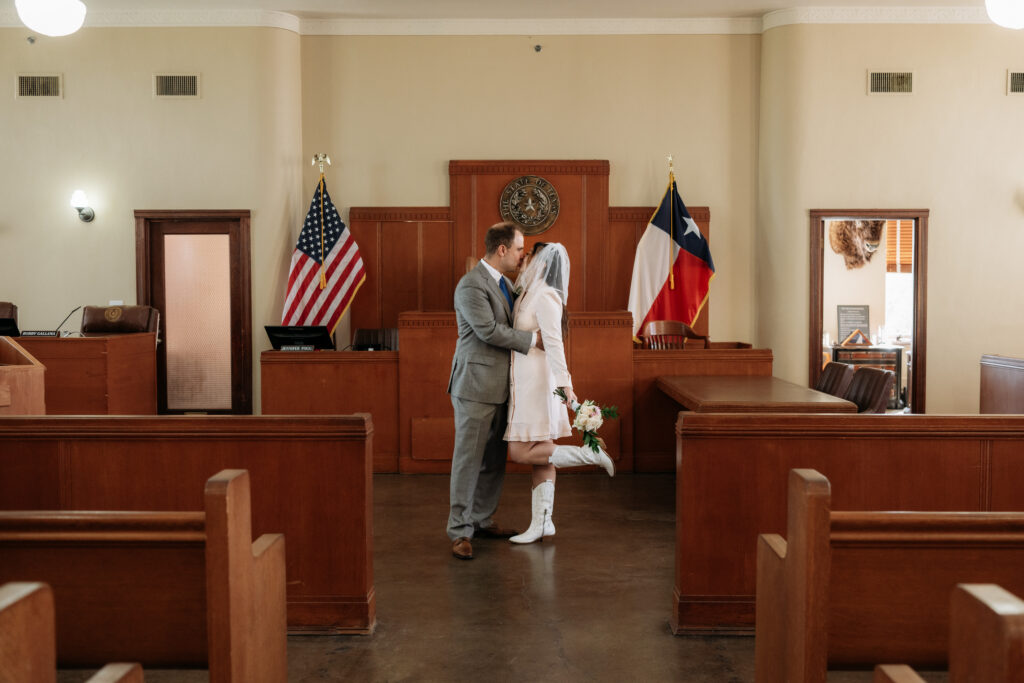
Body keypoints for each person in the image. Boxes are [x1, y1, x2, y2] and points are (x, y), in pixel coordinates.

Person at [505, 242, 614, 545]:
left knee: (518, 451)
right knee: (541, 458)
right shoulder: (527, 292)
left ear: (542, 262)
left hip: (538, 387)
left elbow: (554, 345)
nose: (524, 259)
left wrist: (566, 385)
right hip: (524, 383)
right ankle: (542, 523)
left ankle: (587, 454)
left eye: (530, 256)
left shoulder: (547, 297)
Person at [447, 221, 540, 560]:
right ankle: (459, 532)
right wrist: (534, 341)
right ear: (502, 249)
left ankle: (481, 519)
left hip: (502, 387)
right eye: (518, 249)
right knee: (469, 461)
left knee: (494, 461)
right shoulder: (471, 286)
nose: (521, 255)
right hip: (474, 386)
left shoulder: (504, 283)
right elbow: (488, 331)